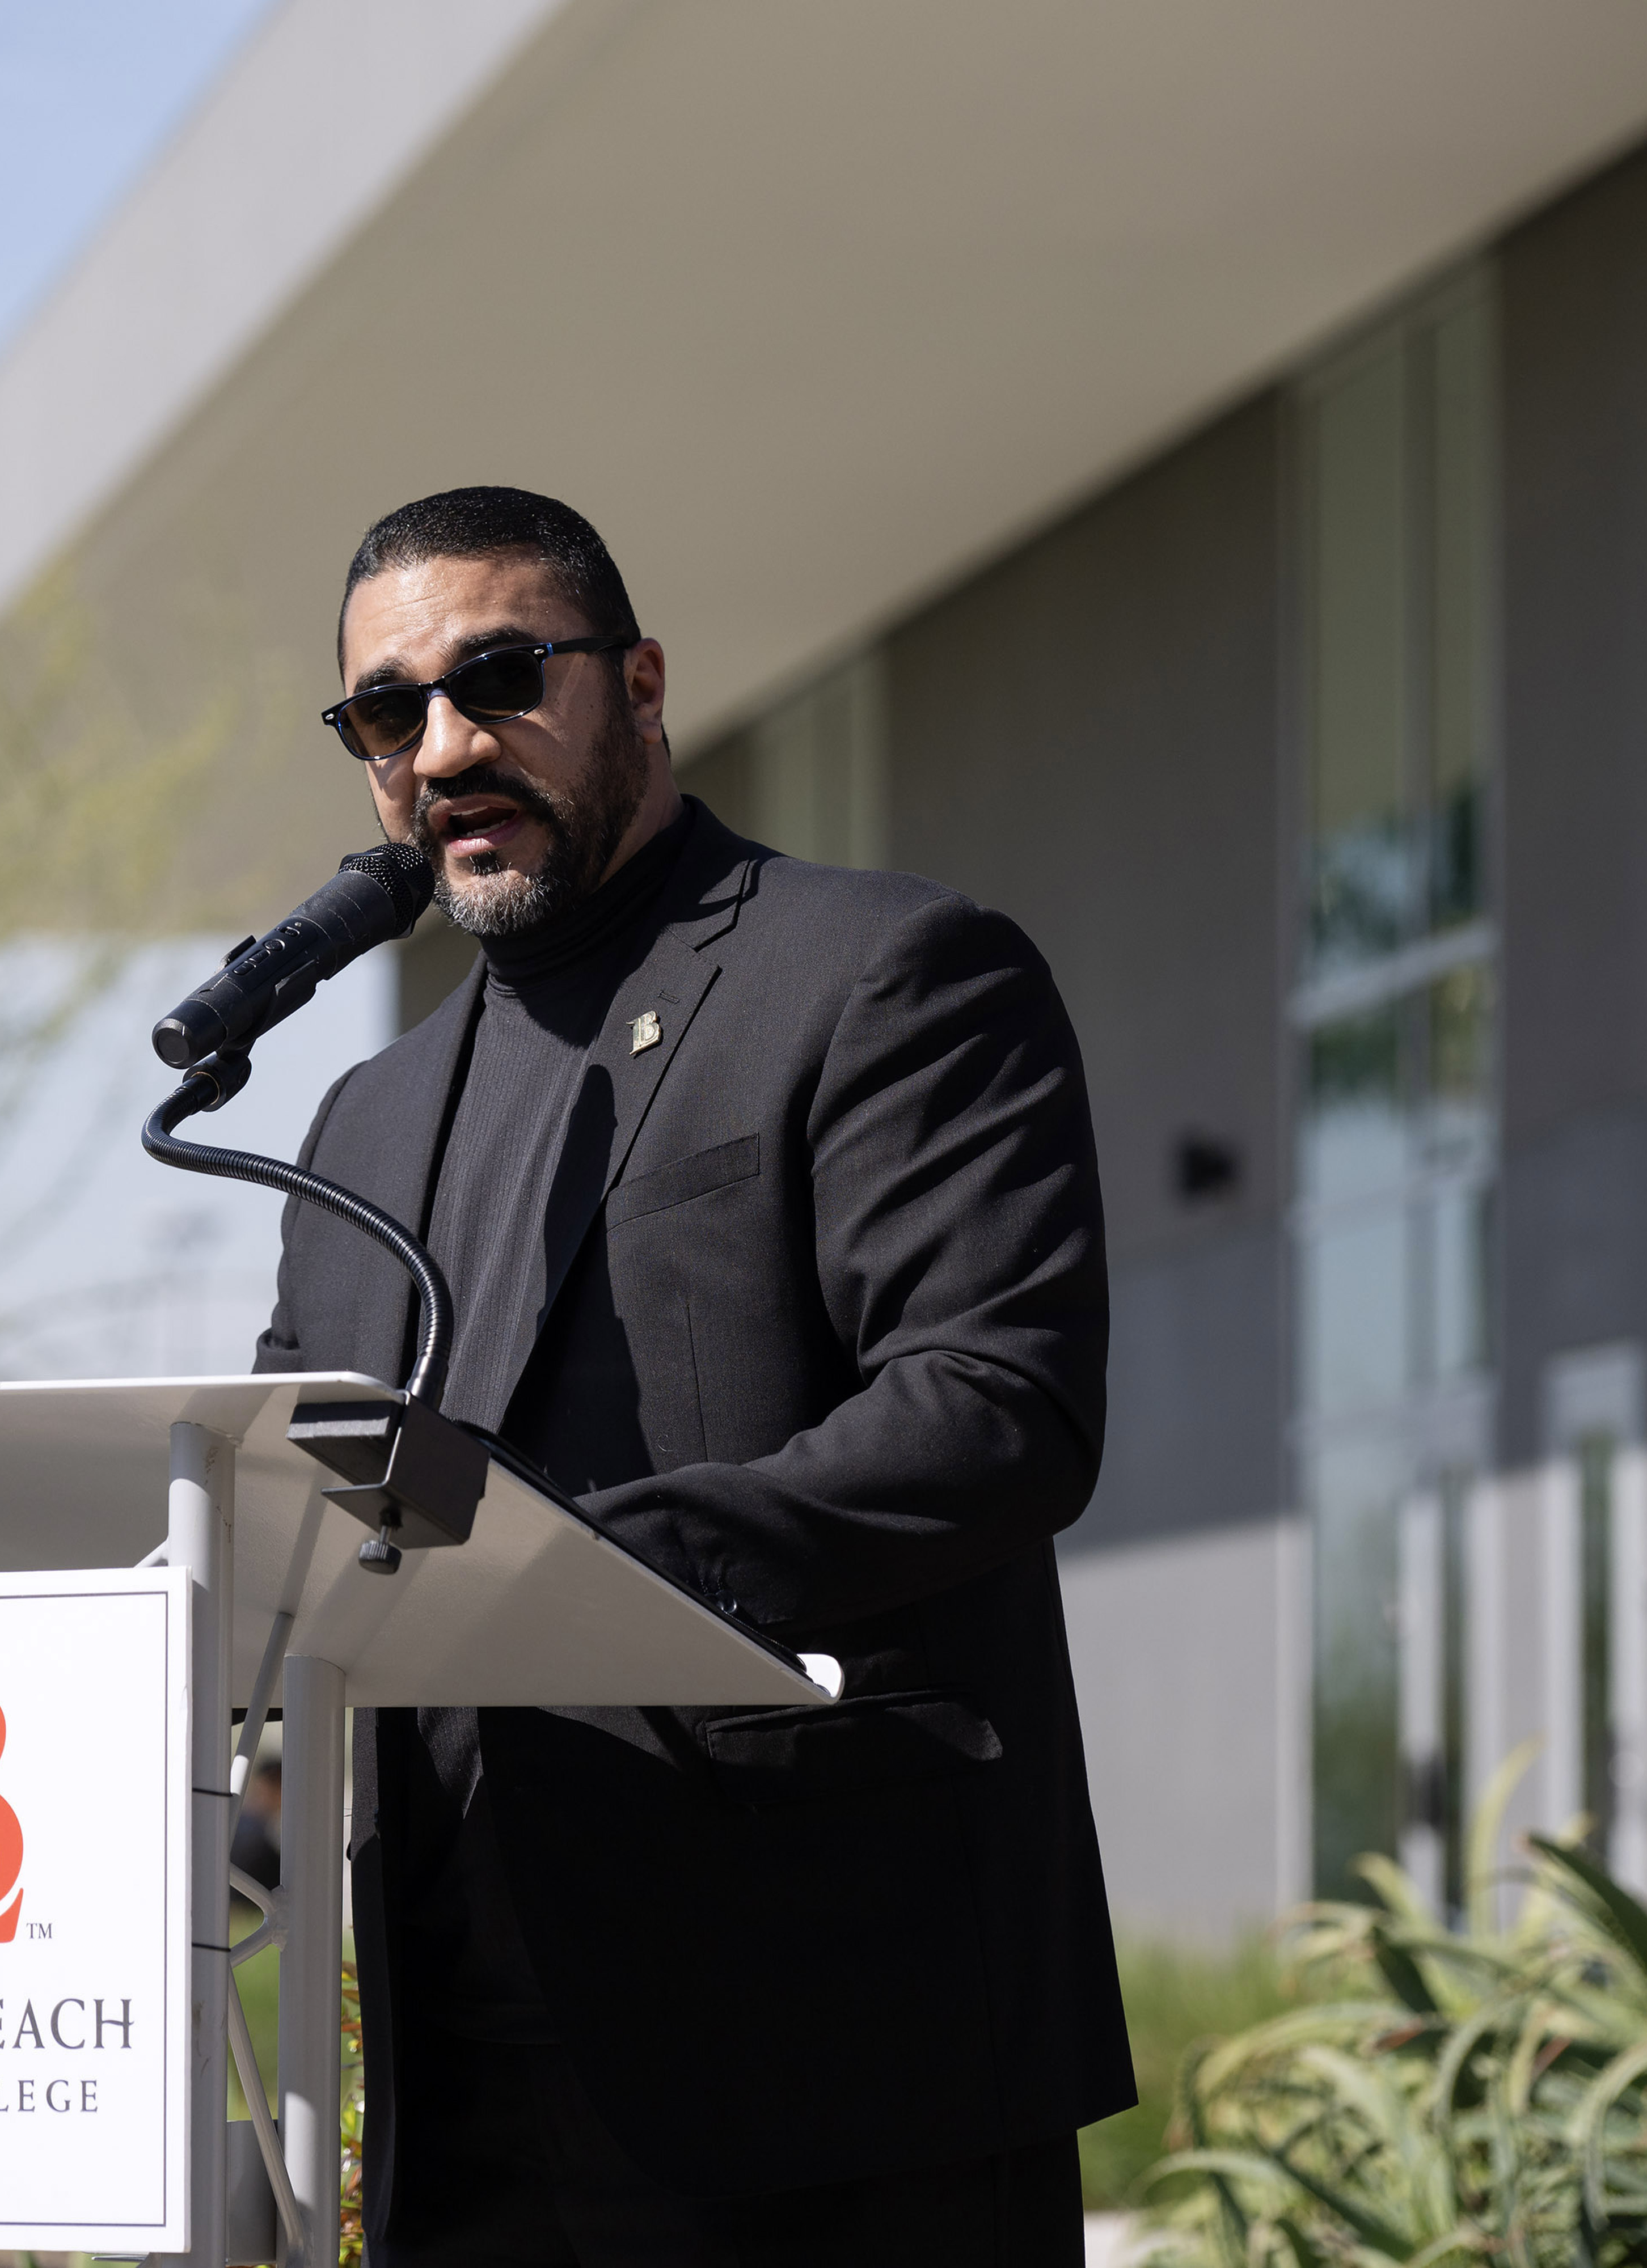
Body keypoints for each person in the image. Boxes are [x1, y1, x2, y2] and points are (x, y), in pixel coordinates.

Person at [256, 487, 1130, 2265]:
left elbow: (993, 1407)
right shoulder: (359, 1123)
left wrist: (576, 1583)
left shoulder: (883, 973)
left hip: (830, 2046)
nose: (445, 746)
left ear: (641, 683)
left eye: (501, 677)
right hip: (468, 2062)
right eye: (386, 712)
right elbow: (286, 1521)